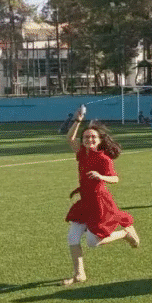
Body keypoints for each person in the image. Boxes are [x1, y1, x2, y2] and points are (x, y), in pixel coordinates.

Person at [62, 108, 140, 285]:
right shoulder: (82, 153)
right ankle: (79, 274)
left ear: (99, 141)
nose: (89, 139)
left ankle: (125, 234)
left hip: (99, 203)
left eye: (93, 137)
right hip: (85, 202)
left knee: (93, 242)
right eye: (86, 137)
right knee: (72, 238)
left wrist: (100, 176)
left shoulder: (104, 159)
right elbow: (69, 139)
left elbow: (115, 178)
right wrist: (78, 120)